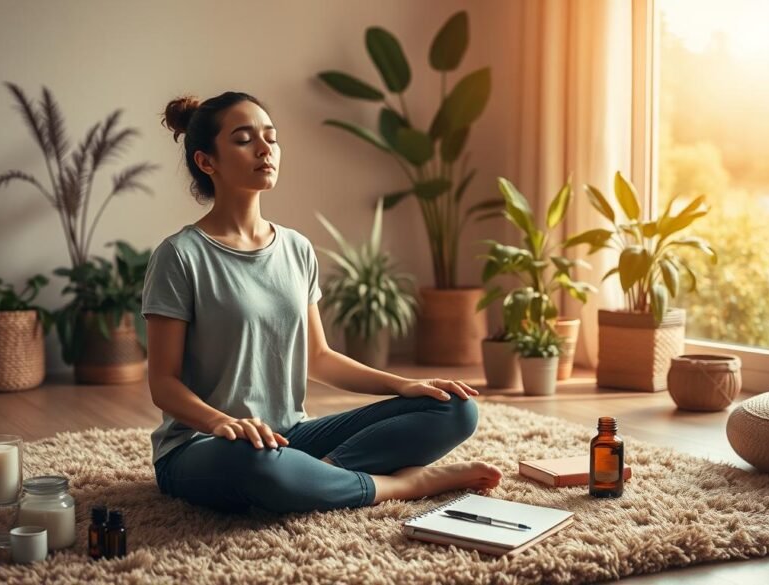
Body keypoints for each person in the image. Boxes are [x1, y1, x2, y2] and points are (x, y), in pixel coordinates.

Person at [144, 91, 502, 514]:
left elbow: (319, 357)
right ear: (207, 162)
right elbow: (163, 384)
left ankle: (318, 476)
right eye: (243, 140)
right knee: (257, 465)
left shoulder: (296, 248)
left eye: (271, 138)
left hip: (290, 437)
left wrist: (402, 384)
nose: (265, 149)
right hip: (207, 447)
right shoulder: (180, 255)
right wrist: (223, 422)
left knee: (456, 410)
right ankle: (401, 485)